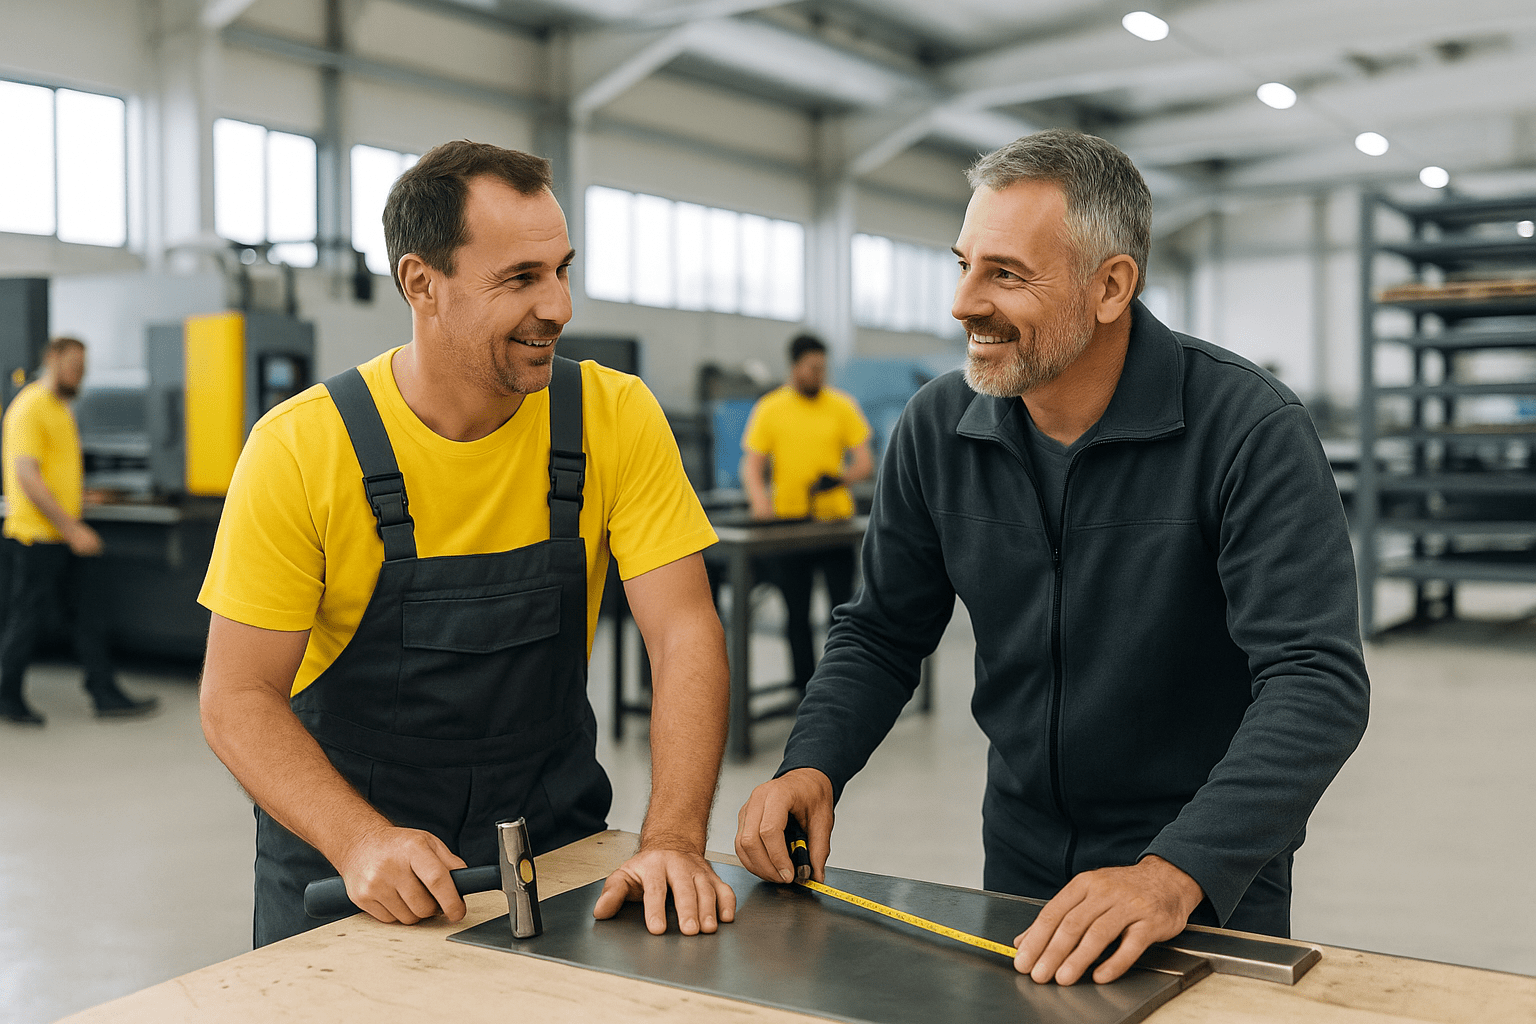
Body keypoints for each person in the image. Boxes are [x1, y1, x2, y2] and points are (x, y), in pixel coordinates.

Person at [735, 129, 1369, 985]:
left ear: (1111, 287)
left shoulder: (1246, 433)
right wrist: (811, 760)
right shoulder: (937, 429)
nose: (963, 302)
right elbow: (883, 630)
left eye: (1004, 273)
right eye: (963, 264)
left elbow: (1314, 680)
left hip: (1200, 877)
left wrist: (1174, 873)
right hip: (1023, 860)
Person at [198, 141, 735, 947]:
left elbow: (685, 632)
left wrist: (671, 841)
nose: (557, 305)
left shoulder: (612, 418)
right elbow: (236, 697)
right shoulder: (302, 448)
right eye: (521, 279)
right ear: (422, 284)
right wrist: (358, 841)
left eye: (562, 269)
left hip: (555, 846)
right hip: (348, 868)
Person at [0, 336, 158, 726]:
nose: (79, 374)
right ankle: (7, 695)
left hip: (60, 534)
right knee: (27, 619)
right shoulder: (30, 407)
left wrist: (84, 496)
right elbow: (27, 476)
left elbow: (52, 472)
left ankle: (104, 692)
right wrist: (72, 528)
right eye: (74, 366)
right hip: (36, 536)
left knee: (88, 614)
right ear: (51, 359)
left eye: (83, 368)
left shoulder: (60, 408)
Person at [739, 334, 873, 689]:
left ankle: (838, 685)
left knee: (841, 612)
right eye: (812, 368)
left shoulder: (841, 406)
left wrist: (839, 479)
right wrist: (760, 503)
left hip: (834, 527)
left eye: (822, 369)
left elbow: (865, 463)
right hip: (790, 528)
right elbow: (751, 466)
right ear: (795, 366)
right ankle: (804, 690)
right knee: (795, 613)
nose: (818, 374)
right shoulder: (771, 408)